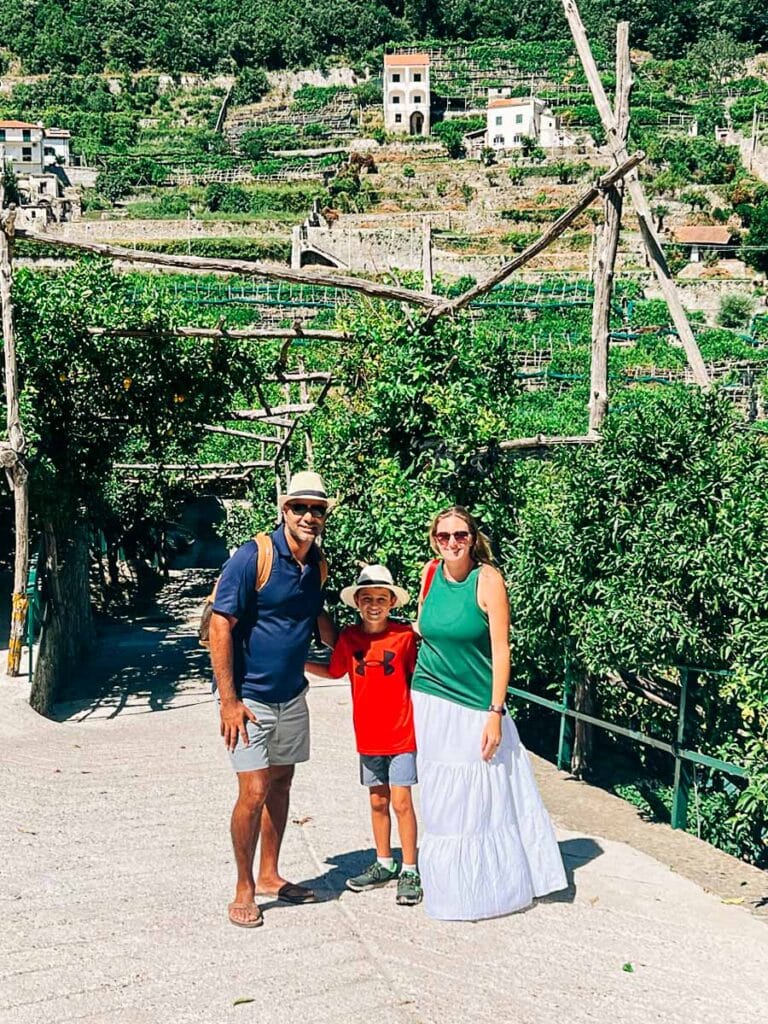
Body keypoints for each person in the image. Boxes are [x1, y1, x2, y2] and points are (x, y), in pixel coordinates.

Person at [411, 505, 567, 920]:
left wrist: (496, 711)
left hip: (474, 704)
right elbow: (422, 630)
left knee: (477, 798)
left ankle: (482, 890)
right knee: (441, 801)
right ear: (434, 540)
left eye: (460, 535)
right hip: (429, 699)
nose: (452, 543)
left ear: (473, 537)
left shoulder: (488, 580)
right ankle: (446, 887)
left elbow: (501, 650)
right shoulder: (430, 574)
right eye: (443, 537)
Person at [209, 471, 336, 928]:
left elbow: (310, 609)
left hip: (292, 696)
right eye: (300, 507)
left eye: (316, 509)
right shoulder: (253, 556)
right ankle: (244, 886)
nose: (308, 515)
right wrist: (228, 701)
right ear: (284, 510)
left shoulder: (315, 564)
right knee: (254, 789)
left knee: (281, 783)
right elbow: (221, 624)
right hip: (250, 701)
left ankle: (269, 874)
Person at [306, 565, 423, 907]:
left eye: (381, 599)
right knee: (377, 801)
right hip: (369, 736)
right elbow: (335, 670)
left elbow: (422, 678)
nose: (374, 604)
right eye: (367, 598)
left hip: (402, 734)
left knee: (402, 802)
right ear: (357, 602)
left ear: (392, 603)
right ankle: (384, 862)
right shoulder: (350, 639)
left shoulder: (404, 637)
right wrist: (296, 662)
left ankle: (411, 870)